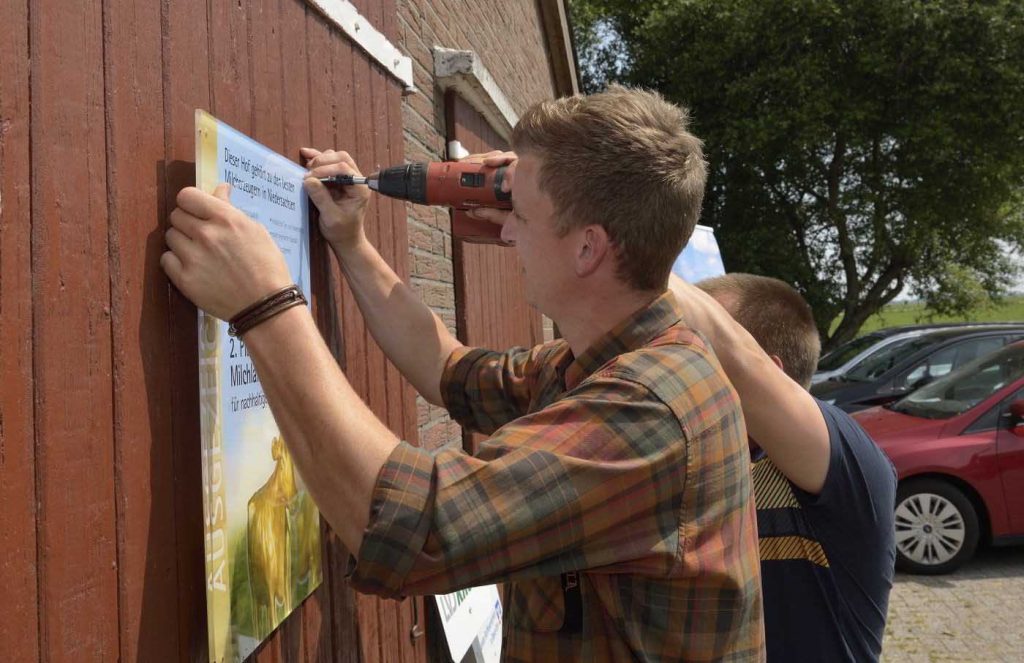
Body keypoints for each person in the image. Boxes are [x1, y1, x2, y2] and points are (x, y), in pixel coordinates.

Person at [161, 85, 764, 661]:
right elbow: (450, 370)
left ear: (589, 249)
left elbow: (411, 527)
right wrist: (350, 241)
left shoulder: (649, 409)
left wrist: (264, 304)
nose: (503, 230)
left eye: (520, 215)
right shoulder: (605, 362)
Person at [668, 273, 896, 662]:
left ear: (767, 373)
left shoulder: (845, 464)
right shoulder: (692, 462)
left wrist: (629, 247)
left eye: (694, 357)